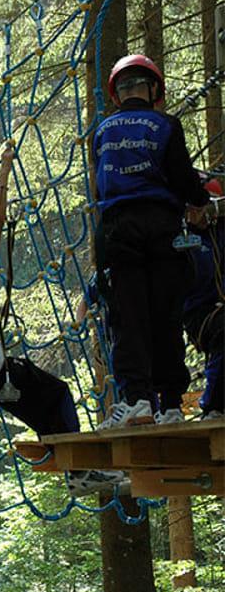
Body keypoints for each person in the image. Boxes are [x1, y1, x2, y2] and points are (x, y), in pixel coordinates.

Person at [0, 148, 123, 496]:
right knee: (59, 393)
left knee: (46, 411)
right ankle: (79, 474)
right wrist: (3, 170)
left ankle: (73, 465)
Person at [92, 55, 210, 428]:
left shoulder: (103, 131)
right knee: (166, 317)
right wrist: (203, 199)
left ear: (116, 94)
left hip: (118, 229)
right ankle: (172, 405)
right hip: (163, 229)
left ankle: (137, 400)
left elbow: (101, 183)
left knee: (128, 318)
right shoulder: (165, 125)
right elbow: (182, 178)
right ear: (155, 89)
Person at [181, 176, 225, 421]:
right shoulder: (182, 240)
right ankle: (212, 405)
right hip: (199, 314)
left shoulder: (220, 233)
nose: (195, 214)